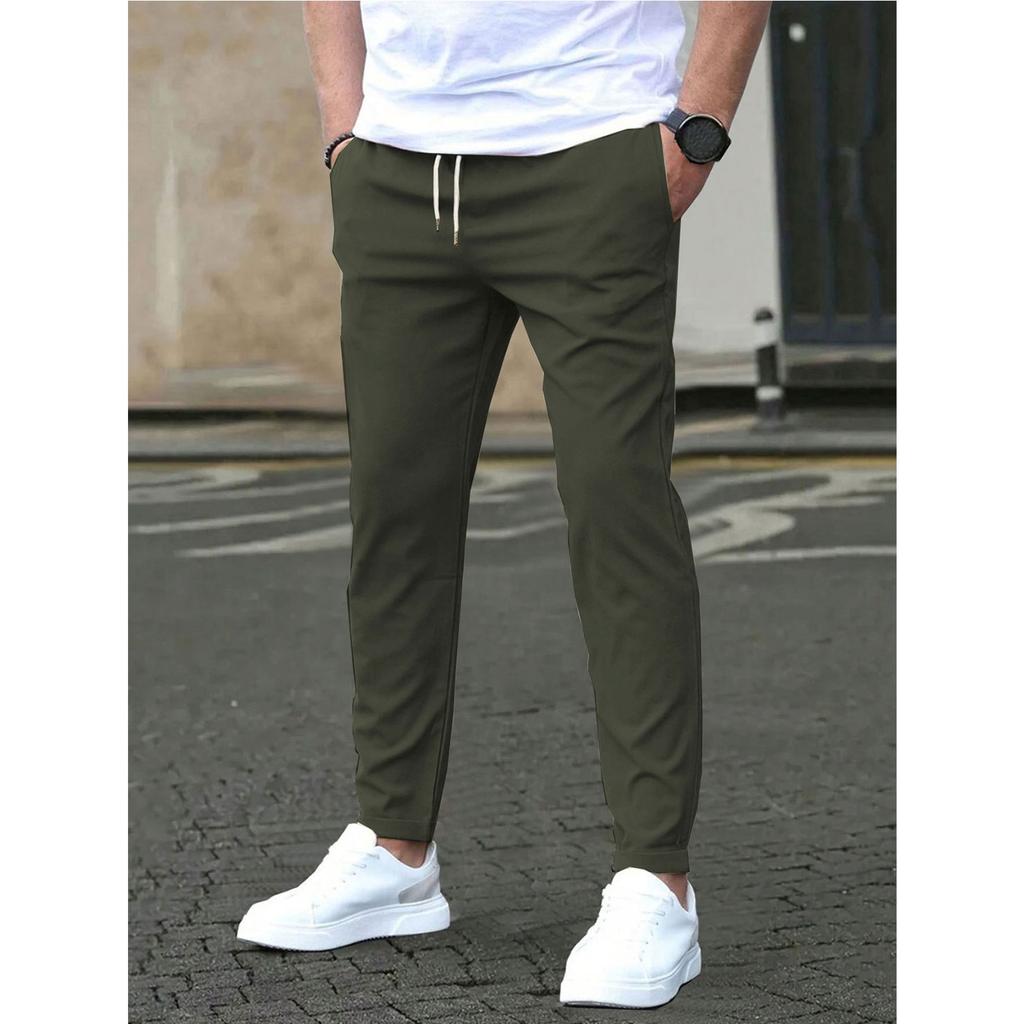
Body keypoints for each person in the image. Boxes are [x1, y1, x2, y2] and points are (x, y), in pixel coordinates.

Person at [238, 0, 770, 1008]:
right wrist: (346, 128)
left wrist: (696, 130)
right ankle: (395, 852)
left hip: (591, 151)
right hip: (398, 172)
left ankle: (654, 880)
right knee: (393, 519)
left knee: (617, 513)